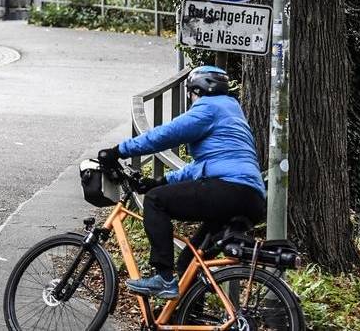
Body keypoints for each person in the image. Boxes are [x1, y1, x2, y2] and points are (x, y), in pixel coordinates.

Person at [98, 66, 266, 299]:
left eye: (190, 93)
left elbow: (167, 134)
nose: (190, 98)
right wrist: (161, 179)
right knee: (190, 261)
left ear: (196, 90)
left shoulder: (209, 107)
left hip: (228, 189)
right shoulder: (231, 110)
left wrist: (119, 151)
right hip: (251, 198)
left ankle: (163, 278)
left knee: (156, 201)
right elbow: (204, 166)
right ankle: (186, 316)